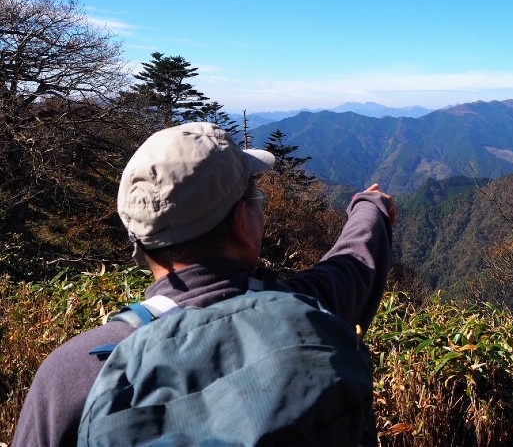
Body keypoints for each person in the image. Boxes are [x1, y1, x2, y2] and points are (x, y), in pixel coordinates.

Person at [13, 121, 396, 447]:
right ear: (240, 224)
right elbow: (356, 261)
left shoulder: (72, 374)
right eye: (255, 199)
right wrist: (369, 206)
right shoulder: (309, 317)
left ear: (139, 243)